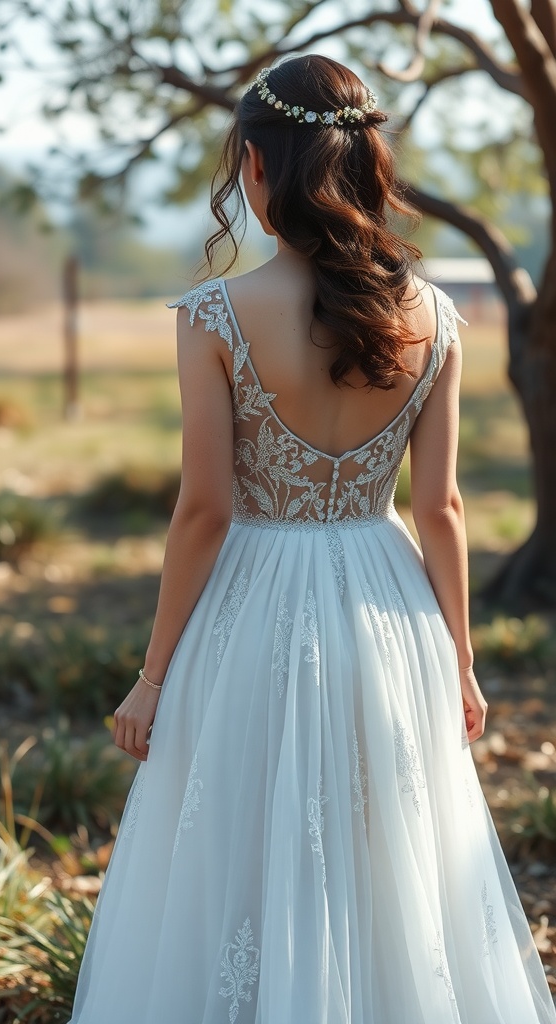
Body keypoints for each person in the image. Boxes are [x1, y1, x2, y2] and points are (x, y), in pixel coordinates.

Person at [68, 53, 556, 1024]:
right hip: (388, 602)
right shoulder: (436, 316)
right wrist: (459, 659)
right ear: (370, 164)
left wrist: (154, 673)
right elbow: (442, 508)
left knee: (245, 832)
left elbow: (203, 509)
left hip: (254, 595)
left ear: (255, 166)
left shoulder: (214, 314)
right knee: (385, 840)